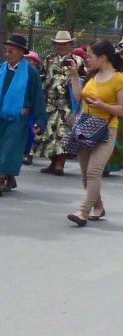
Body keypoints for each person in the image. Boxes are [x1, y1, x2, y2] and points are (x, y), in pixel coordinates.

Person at [67, 40, 123, 225]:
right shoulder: (92, 75)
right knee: (86, 173)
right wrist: (74, 75)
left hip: (107, 130)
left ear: (103, 57)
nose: (87, 60)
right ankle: (98, 206)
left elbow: (121, 109)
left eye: (90, 56)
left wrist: (103, 106)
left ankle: (83, 212)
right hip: (86, 127)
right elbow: (78, 97)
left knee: (94, 171)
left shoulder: (119, 79)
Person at [0, 34, 46, 197]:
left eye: (12, 50)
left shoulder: (31, 72)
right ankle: (9, 176)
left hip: (18, 117)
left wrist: (40, 120)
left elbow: (38, 97)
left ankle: (0, 178)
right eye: (6, 49)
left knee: (10, 147)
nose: (8, 53)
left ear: (21, 52)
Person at [35, 31, 77, 175]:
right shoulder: (49, 60)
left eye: (65, 44)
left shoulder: (77, 61)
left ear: (70, 45)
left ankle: (60, 163)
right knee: (48, 133)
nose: (61, 46)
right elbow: (43, 77)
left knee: (63, 134)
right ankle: (53, 162)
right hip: (50, 103)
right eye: (59, 44)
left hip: (67, 104)